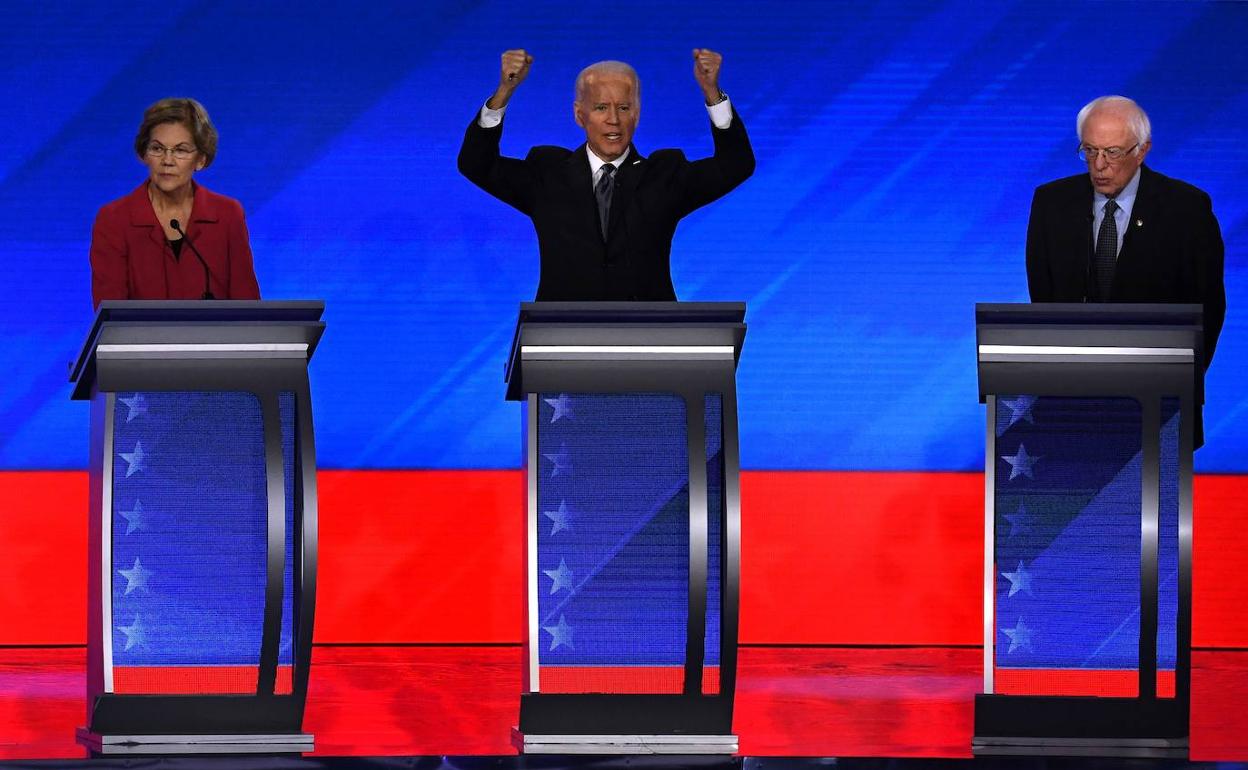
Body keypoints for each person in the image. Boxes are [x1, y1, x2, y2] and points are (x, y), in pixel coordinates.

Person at [458, 49, 754, 301]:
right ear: (579, 115)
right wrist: (503, 93)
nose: (613, 119)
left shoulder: (665, 175)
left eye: (623, 107)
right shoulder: (547, 173)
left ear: (636, 114)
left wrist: (713, 95)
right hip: (560, 343)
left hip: (649, 343)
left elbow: (736, 165)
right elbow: (476, 164)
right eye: (601, 107)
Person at [1025, 95, 1226, 444]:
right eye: (1089, 150)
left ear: (1142, 150)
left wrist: (1177, 380)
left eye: (1112, 152)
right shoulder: (1051, 204)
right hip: (1071, 407)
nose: (1099, 165)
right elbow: (1044, 301)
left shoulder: (1187, 209)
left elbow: (1208, 309)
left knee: (1150, 500)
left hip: (1159, 404)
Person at [90, 98, 260, 308]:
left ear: (201, 160)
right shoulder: (115, 219)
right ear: (144, 154)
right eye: (157, 148)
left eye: (180, 150)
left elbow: (248, 307)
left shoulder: (227, 214)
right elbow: (110, 313)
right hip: (140, 340)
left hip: (213, 340)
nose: (167, 161)